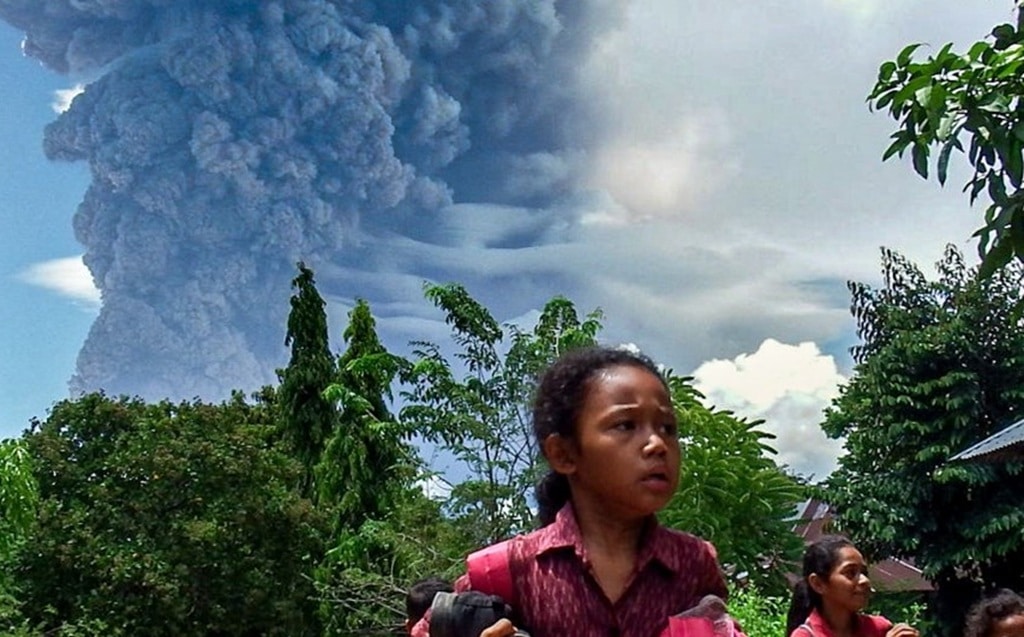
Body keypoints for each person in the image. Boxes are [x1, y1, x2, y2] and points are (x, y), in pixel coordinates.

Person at [412, 345, 737, 637]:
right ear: (563, 454)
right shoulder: (504, 570)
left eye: (668, 428)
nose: (657, 444)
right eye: (625, 425)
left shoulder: (695, 564)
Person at [786, 535, 919, 637]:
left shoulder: (879, 629)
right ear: (818, 584)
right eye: (850, 572)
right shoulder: (806, 635)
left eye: (864, 572)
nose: (864, 580)